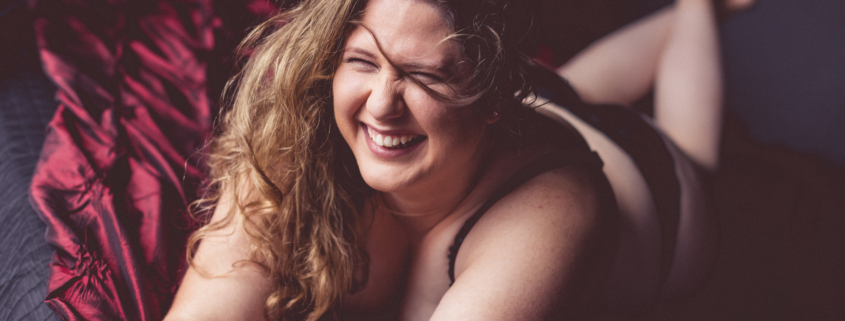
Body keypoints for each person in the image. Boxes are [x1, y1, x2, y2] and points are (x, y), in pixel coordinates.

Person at [164, 0, 752, 319]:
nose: (382, 104)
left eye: (422, 75)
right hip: (514, 107)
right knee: (568, 86)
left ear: (493, 97)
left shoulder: (546, 220)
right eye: (363, 62)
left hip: (647, 177)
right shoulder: (293, 152)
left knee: (692, 145)